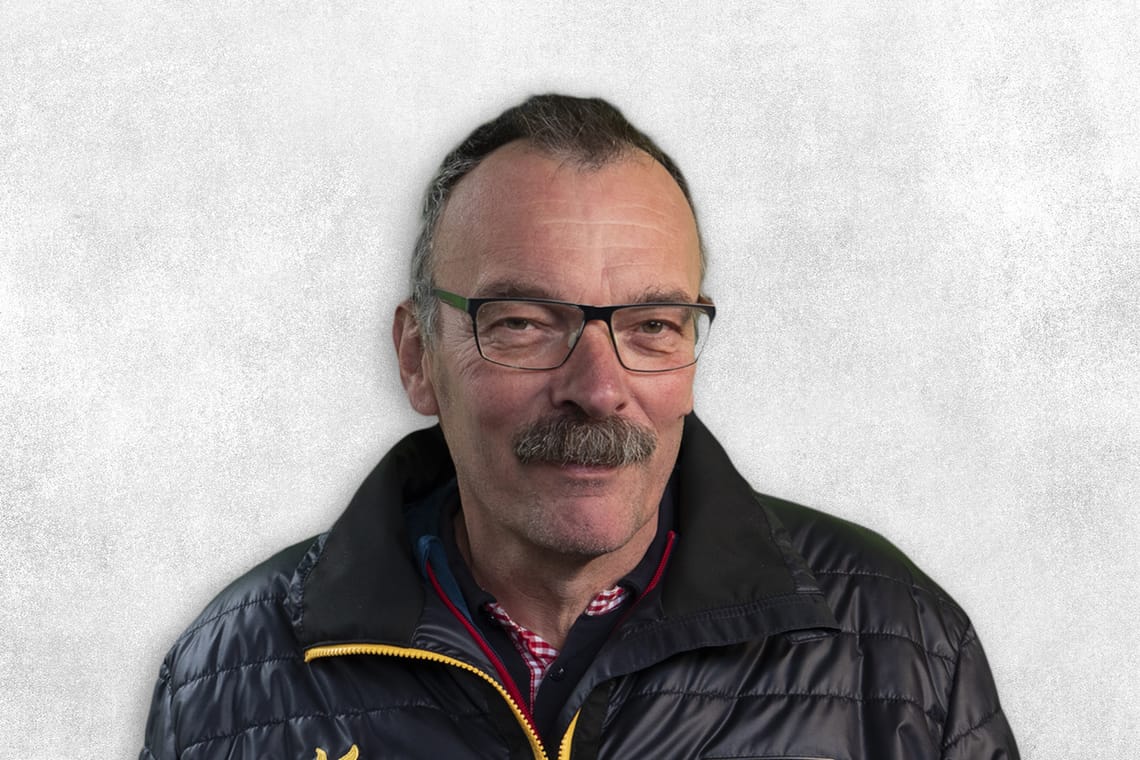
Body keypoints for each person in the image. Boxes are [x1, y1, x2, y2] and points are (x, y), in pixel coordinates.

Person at [140, 94, 1019, 760]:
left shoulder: (902, 650)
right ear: (418, 357)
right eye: (524, 323)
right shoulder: (228, 679)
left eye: (653, 326)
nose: (598, 389)